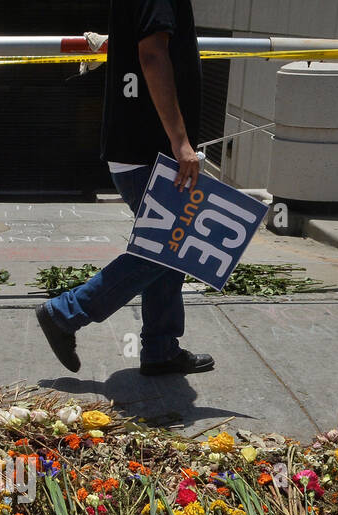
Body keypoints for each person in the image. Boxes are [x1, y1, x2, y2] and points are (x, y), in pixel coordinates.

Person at [37, 0, 213, 377]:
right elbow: (151, 55)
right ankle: (66, 313)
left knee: (169, 249)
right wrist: (181, 143)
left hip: (143, 148)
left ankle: (161, 349)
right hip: (149, 149)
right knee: (165, 247)